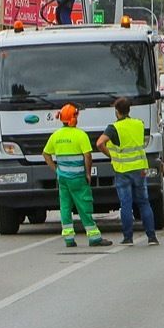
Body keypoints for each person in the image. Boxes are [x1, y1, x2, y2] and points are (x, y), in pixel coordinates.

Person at [43, 104, 111, 249]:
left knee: (65, 207)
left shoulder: (56, 136)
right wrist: (88, 173)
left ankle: (69, 239)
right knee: (84, 206)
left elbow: (46, 154)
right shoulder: (80, 135)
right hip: (78, 178)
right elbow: (87, 155)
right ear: (73, 118)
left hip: (63, 179)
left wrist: (56, 170)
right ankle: (94, 238)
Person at [96, 96, 159, 246]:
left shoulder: (114, 128)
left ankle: (128, 237)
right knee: (144, 202)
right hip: (140, 168)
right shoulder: (139, 124)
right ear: (129, 110)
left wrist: (111, 155)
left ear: (117, 111)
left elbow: (99, 143)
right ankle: (151, 237)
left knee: (126, 204)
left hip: (123, 170)